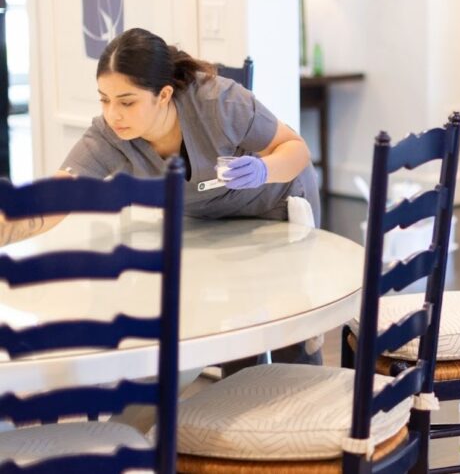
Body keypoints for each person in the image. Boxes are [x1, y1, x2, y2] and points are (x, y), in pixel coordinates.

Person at [1, 27, 323, 370]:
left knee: (290, 324)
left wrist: (262, 170)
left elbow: (295, 149)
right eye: (104, 99)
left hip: (274, 203)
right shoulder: (110, 137)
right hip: (212, 219)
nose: (114, 115)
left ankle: (310, 414)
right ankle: (242, 409)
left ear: (164, 94)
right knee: (233, 330)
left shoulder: (220, 103)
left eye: (127, 102)